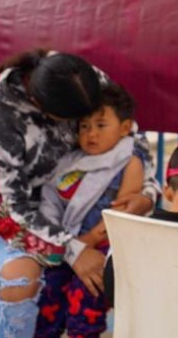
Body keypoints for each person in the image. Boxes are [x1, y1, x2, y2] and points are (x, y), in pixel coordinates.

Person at [0, 49, 160, 338]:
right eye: (77, 123)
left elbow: (130, 135)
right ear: (45, 109)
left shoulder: (84, 81)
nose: (86, 133)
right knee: (18, 280)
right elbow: (5, 213)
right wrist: (74, 250)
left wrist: (146, 194)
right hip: (25, 222)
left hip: (96, 214)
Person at [33, 83, 144, 338]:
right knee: (49, 288)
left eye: (100, 125)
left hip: (107, 246)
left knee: (86, 292)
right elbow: (51, 204)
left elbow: (122, 215)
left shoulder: (129, 162)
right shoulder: (71, 161)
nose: (91, 134)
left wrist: (90, 240)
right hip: (70, 243)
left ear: (125, 128)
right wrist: (72, 245)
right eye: (85, 126)